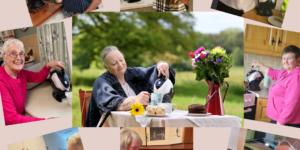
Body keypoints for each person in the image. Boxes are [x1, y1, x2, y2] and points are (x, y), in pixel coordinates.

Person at [85, 46, 176, 127]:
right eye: (114, 64)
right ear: (106, 67)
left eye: (121, 60)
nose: (120, 65)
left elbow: (153, 72)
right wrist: (135, 100)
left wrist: (161, 65)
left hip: (141, 125)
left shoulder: (132, 73)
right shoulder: (102, 82)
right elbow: (111, 104)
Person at [0, 39, 65, 125]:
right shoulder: (2, 81)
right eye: (13, 53)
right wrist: (46, 122)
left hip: (20, 117)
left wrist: (48, 65)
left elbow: (39, 77)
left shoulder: (21, 72)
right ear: (4, 56)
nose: (19, 58)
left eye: (21, 53)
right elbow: (11, 119)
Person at [252, 45, 300, 127]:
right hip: (280, 118)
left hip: (286, 122)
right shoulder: (286, 72)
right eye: (284, 58)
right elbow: (273, 73)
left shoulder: (296, 77)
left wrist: (280, 122)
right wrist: (259, 64)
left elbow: (291, 104)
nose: (286, 61)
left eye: (289, 58)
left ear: (298, 59)